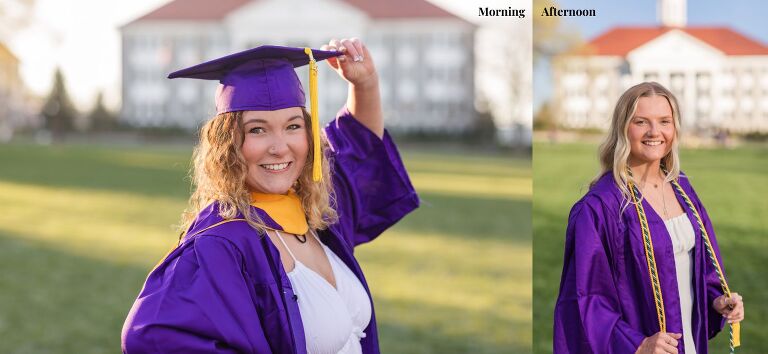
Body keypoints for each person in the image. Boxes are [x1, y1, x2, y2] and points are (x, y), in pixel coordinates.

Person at [121, 39, 419, 354]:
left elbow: (357, 149)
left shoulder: (315, 211)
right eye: (258, 130)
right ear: (228, 144)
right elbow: (152, 337)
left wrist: (365, 83)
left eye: (292, 126)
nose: (279, 147)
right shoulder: (223, 241)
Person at [553, 82, 744, 354]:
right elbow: (586, 300)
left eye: (664, 121)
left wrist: (716, 300)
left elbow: (697, 269)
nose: (655, 132)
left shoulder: (683, 189)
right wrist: (636, 344)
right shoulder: (600, 208)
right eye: (641, 122)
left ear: (675, 128)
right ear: (623, 128)